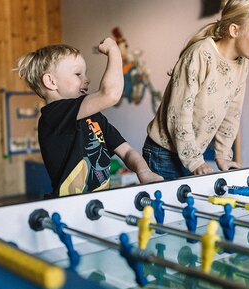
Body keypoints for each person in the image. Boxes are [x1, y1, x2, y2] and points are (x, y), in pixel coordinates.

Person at [143, 0, 249, 179]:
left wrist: (222, 155)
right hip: (164, 154)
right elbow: (178, 113)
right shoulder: (200, 54)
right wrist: (195, 162)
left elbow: (232, 111)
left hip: (192, 154)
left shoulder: (241, 62)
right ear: (234, 30)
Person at [17, 37, 162, 197]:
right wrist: (114, 50)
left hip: (98, 200)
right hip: (69, 207)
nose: (87, 79)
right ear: (51, 81)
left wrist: (143, 171)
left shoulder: (95, 118)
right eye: (78, 74)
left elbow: (126, 152)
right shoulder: (54, 116)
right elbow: (110, 94)